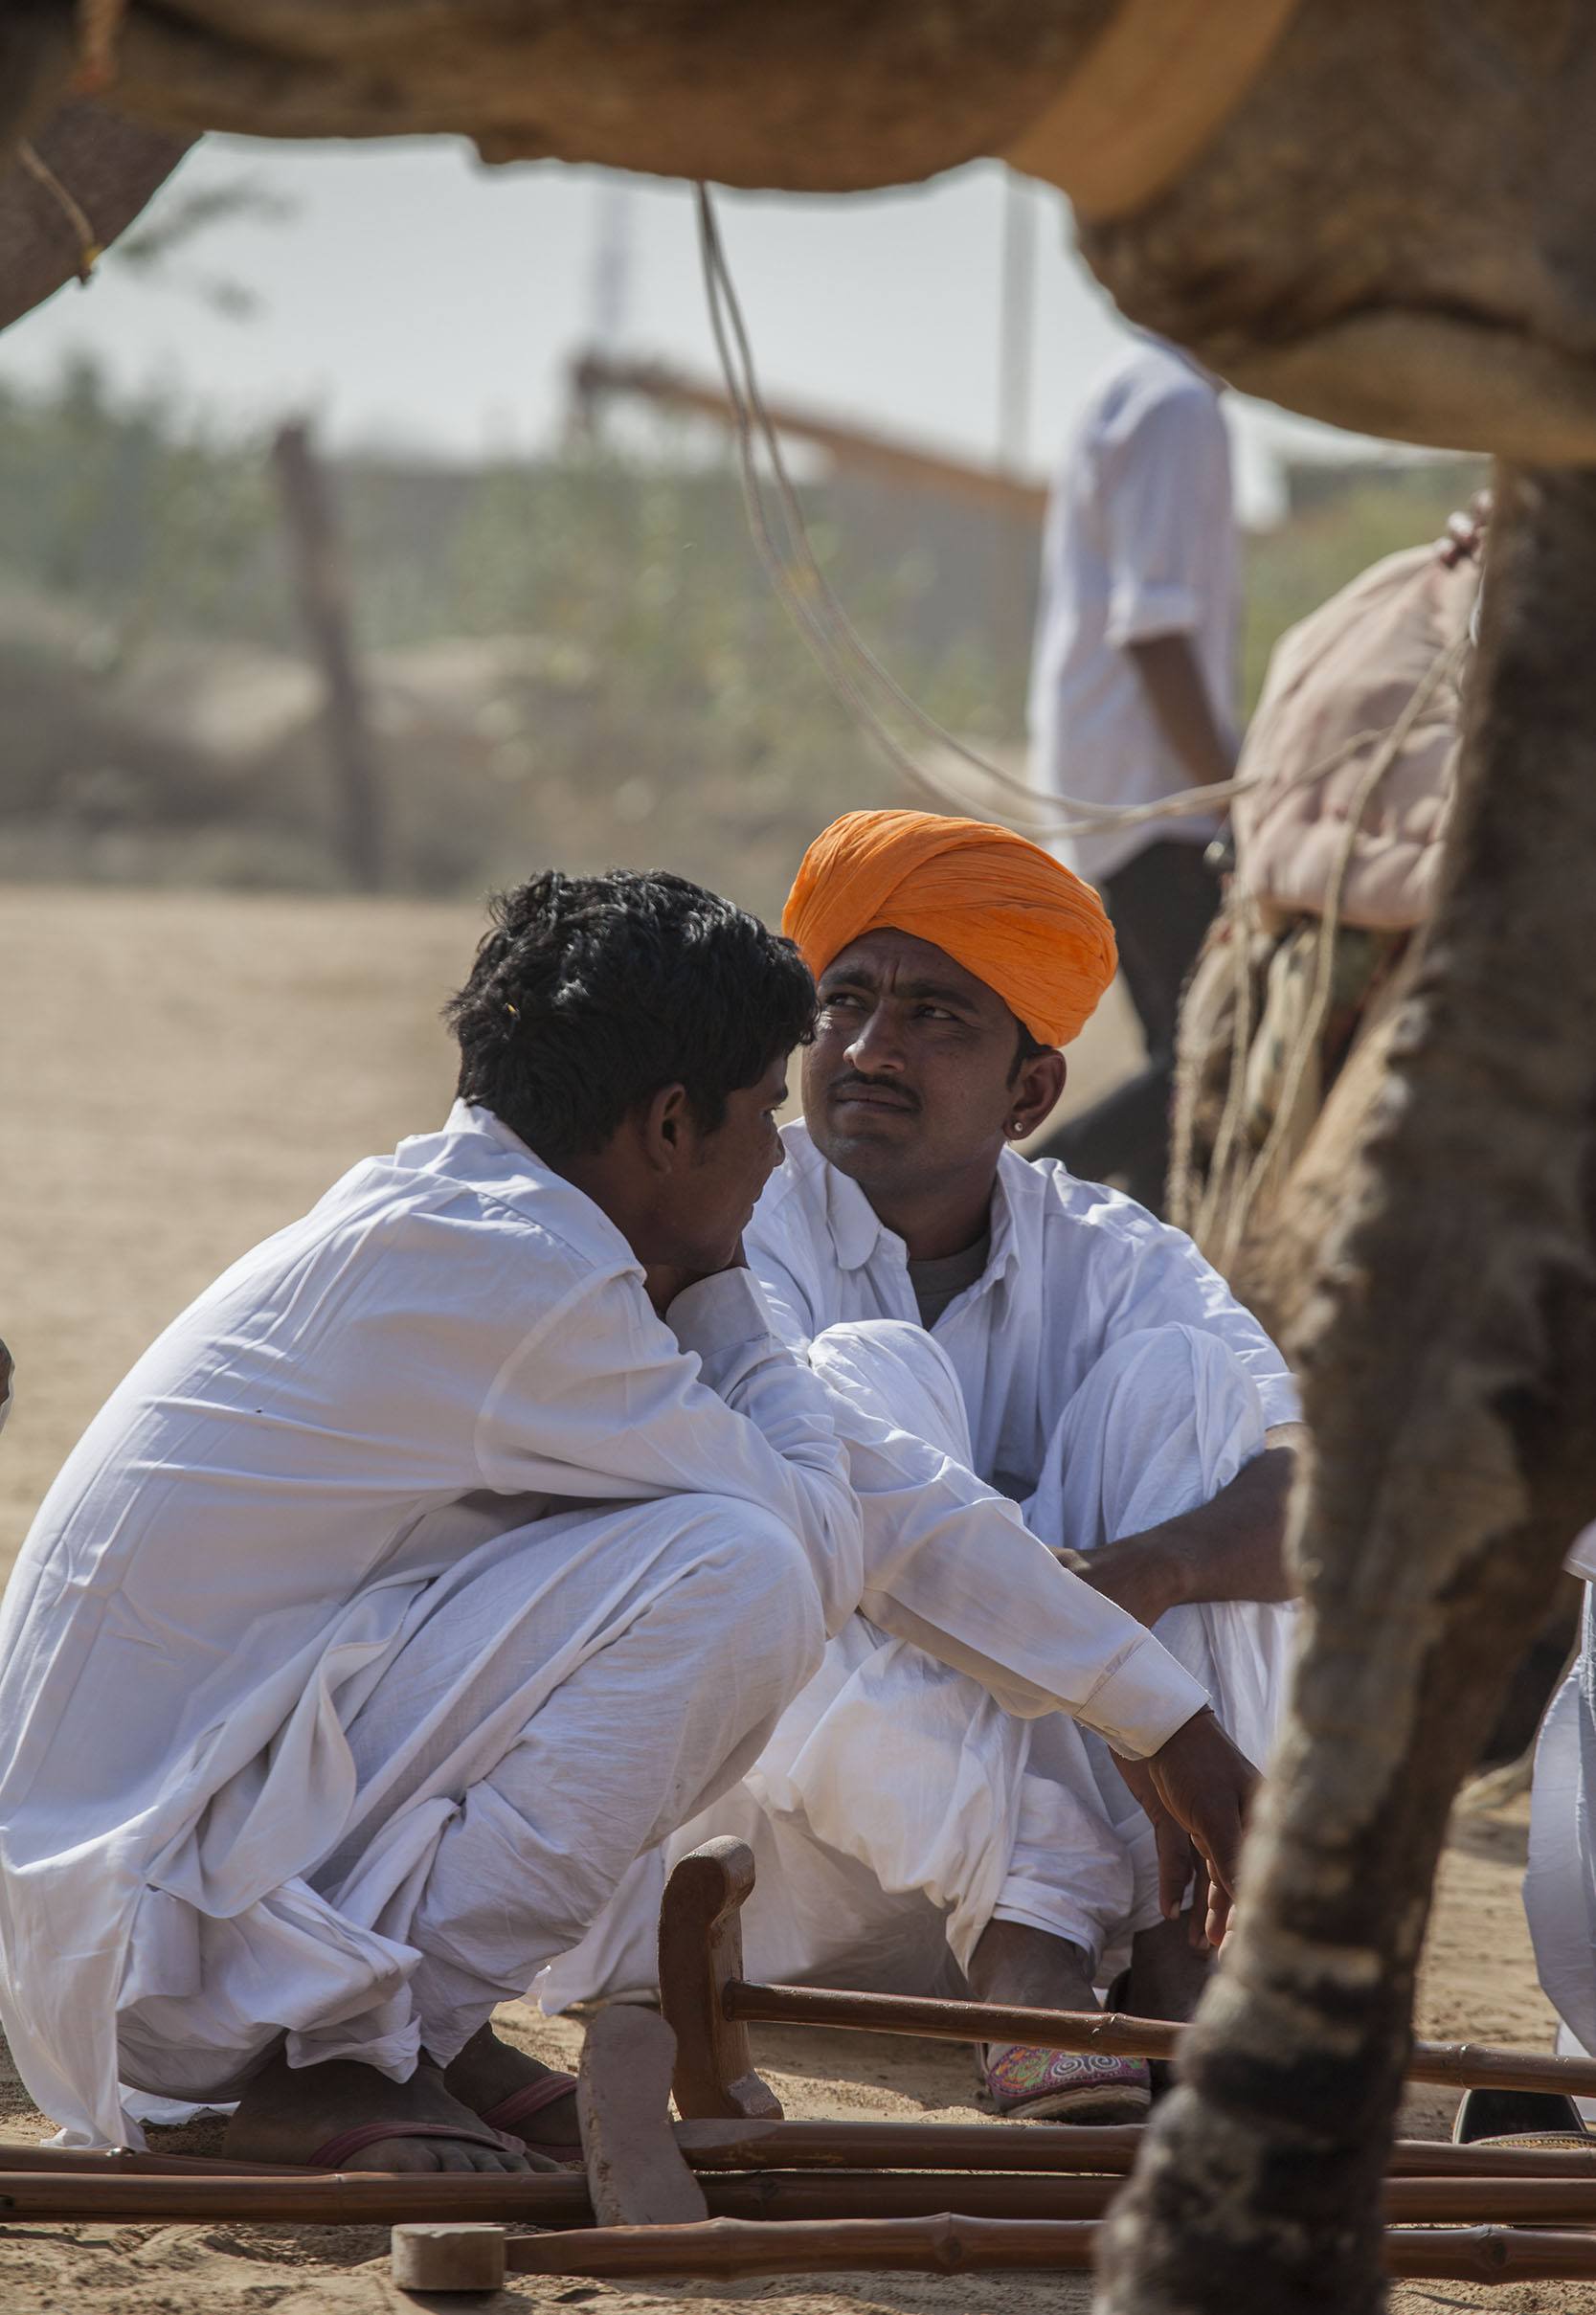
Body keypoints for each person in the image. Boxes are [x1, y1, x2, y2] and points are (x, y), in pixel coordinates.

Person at [0, 865, 1251, 2164]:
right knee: (735, 1571)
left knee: (723, 1535)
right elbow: (823, 1547)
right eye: (765, 1111)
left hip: (130, 1904)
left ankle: (376, 2025)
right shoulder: (518, 1276)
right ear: (668, 1125)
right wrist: (721, 1298)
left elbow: (878, 1490)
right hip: (144, 1944)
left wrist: (1155, 1712)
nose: (779, 1155)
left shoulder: (495, 1227)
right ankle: (328, 2059)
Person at [540, 813, 1300, 2124]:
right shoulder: (726, 1215)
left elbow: (1310, 1497)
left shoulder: (1113, 1254)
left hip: (1128, 1865)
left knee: (1183, 1393)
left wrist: (1129, 1579)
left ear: (1030, 1092)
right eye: (843, 1003)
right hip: (789, 1879)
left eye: (936, 1014)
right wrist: (1064, 1634)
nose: (870, 1050)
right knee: (849, 1393)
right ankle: (1033, 1963)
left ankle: (1190, 1961)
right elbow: (850, 1528)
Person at [1027, 330, 1238, 1213]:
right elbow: (1152, 630)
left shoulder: (1127, 386)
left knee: (1182, 1068)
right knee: (1218, 1053)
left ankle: (1152, 1280)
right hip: (1158, 798)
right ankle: (990, 1204)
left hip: (1120, 787)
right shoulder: (1175, 406)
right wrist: (1233, 795)